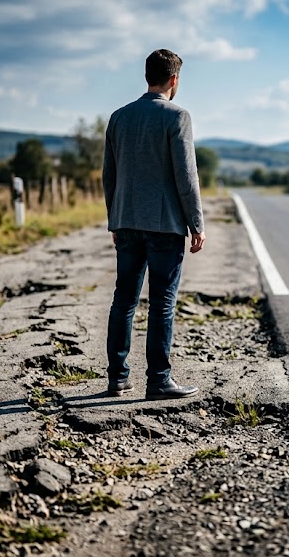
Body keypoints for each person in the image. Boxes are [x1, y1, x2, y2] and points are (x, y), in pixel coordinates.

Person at [102, 49, 206, 400]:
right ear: (174, 79)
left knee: (124, 300)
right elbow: (186, 176)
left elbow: (109, 174)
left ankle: (117, 378)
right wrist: (197, 224)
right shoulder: (177, 116)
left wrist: (114, 218)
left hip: (127, 221)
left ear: (147, 76)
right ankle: (158, 380)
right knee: (162, 302)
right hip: (165, 225)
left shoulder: (118, 117)